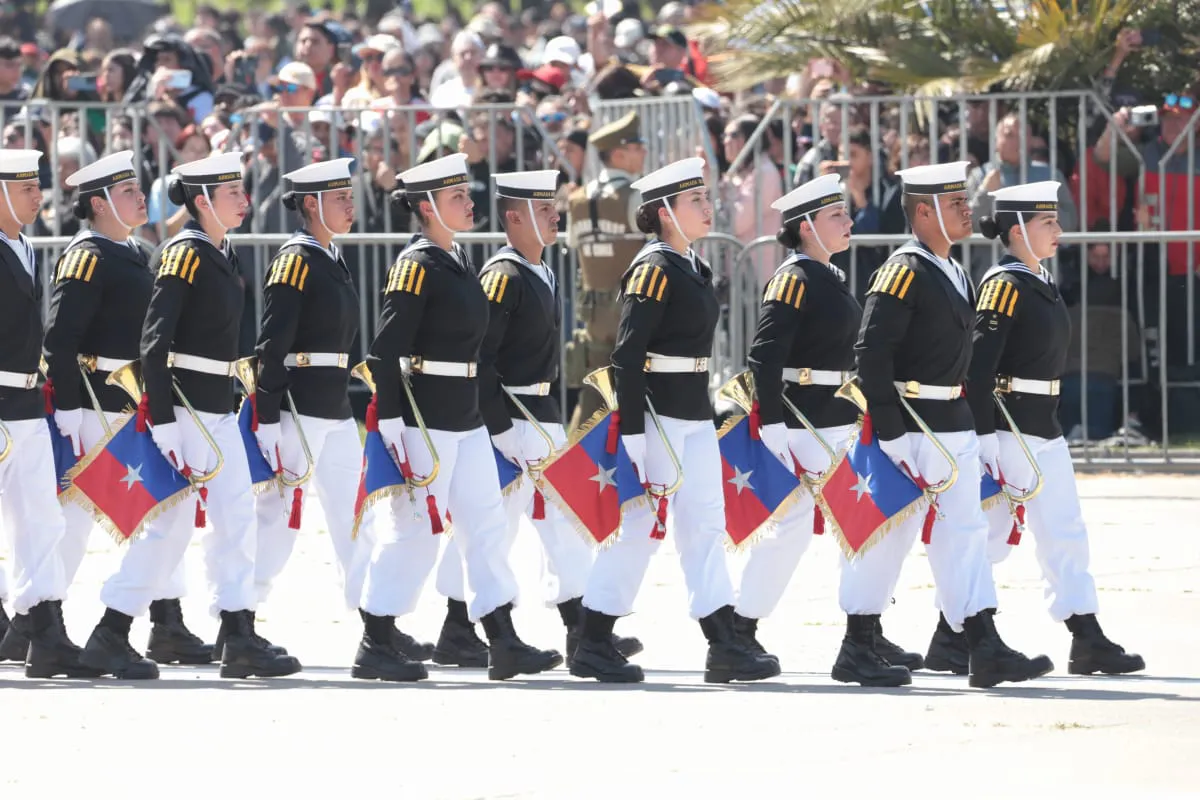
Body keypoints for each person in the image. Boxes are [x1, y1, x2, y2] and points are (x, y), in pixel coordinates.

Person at [569, 157, 780, 685]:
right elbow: (627, 355)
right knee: (641, 528)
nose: (708, 208)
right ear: (665, 212)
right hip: (659, 415)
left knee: (705, 527)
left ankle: (722, 642)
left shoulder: (691, 266)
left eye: (706, 199)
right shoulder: (653, 268)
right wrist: (635, 430)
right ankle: (592, 638)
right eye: (696, 202)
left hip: (693, 412)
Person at [355, 153, 563, 683]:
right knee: (417, 532)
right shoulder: (416, 265)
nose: (470, 205)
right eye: (457, 198)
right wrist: (395, 422)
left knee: (486, 526)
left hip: (466, 416)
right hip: (427, 416)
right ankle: (375, 638)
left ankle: (502, 637)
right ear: (427, 207)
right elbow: (385, 351)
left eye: (467, 195)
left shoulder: (458, 260)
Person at [853, 161, 1053, 689]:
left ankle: (982, 644)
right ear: (925, 211)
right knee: (889, 538)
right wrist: (891, 431)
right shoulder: (904, 269)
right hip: (914, 423)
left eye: (965, 200)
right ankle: (857, 642)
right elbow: (871, 353)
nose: (968, 209)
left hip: (952, 420)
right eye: (955, 202)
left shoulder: (954, 269)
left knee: (964, 535)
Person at [735, 173, 917, 687]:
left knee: (856, 526)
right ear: (807, 226)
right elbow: (764, 356)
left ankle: (864, 631)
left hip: (832, 418)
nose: (849, 221)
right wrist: (770, 420)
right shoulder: (795, 278)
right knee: (822, 527)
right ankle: (747, 630)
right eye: (837, 215)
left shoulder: (827, 274)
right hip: (803, 421)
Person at [249, 158, 432, 660]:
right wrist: (266, 415)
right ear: (311, 204)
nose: (351, 206)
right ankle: (238, 620)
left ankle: (378, 622)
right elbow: (272, 344)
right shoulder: (296, 260)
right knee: (278, 518)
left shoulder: (330, 257)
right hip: (297, 407)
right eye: (340, 199)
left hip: (331, 406)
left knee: (358, 518)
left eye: (350, 197)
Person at [42, 151, 213, 679]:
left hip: (128, 402)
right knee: (73, 523)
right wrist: (68, 404)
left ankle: (163, 618)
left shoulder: (136, 251)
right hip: (94, 403)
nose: (142, 197)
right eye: (129, 192)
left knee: (157, 511)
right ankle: (40, 623)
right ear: (99, 203)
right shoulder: (87, 255)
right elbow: (59, 340)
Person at [969, 181, 1144, 676]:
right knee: (989, 538)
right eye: (1049, 222)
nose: (1059, 230)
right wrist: (984, 436)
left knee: (1064, 530)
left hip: (1044, 426)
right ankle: (961, 631)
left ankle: (1085, 635)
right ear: (1018, 229)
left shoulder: (1039, 279)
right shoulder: (1003, 284)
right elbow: (980, 367)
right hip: (1008, 427)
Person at [139, 151, 302, 679]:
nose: (246, 200)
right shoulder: (185, 253)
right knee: (170, 527)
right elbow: (155, 343)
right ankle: (119, 625)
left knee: (234, 519)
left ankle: (236, 631)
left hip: (217, 407)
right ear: (203, 200)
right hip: (187, 408)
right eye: (233, 193)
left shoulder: (221, 251)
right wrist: (162, 417)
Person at [475, 169, 642, 665]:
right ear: (514, 217)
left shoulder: (540, 269)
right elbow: (482, 358)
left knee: (562, 526)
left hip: (541, 414)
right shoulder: (502, 276)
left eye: (552, 206)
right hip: (512, 415)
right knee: (495, 530)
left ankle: (580, 628)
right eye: (542, 209)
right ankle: (489, 634)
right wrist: (498, 425)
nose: (555, 215)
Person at [0, 148, 96, 678]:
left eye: (37, 186)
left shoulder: (25, 245)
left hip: (26, 402)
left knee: (42, 518)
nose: (39, 196)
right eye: (26, 188)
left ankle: (46, 629)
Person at [565, 111, 647, 433]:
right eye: (637, 146)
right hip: (634, 312)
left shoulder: (577, 200)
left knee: (592, 405)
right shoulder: (635, 196)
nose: (643, 152)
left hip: (595, 318)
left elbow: (575, 246)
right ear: (618, 153)